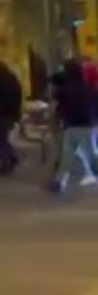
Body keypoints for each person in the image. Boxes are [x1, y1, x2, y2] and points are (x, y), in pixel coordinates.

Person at [50, 60, 98, 194]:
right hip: (88, 125)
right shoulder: (90, 89)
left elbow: (55, 92)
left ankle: (59, 181)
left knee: (68, 155)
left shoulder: (65, 90)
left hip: (71, 126)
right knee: (91, 154)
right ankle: (59, 181)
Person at [0, 61, 24, 174]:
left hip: (2, 112)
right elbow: (19, 95)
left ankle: (6, 164)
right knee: (3, 137)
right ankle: (10, 158)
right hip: (11, 112)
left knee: (0, 137)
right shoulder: (13, 79)